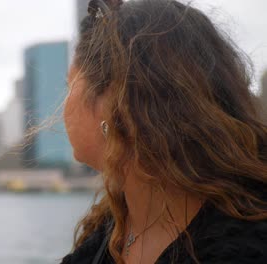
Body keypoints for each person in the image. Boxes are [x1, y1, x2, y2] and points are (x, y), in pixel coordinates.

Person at [61, 0, 267, 263]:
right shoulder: (107, 231)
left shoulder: (246, 248)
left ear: (114, 101)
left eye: (70, 86)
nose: (64, 106)